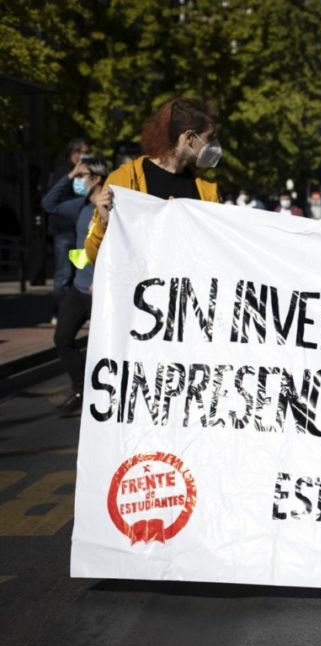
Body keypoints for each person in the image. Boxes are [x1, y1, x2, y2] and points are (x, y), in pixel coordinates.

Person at [85, 97, 221, 264]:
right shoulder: (124, 180)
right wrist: (104, 224)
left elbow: (216, 253)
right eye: (210, 137)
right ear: (189, 138)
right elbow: (94, 257)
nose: (214, 145)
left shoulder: (208, 190)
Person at [41, 156, 109, 413]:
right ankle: (81, 388)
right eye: (78, 176)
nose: (79, 181)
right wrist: (69, 176)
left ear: (97, 179)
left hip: (105, 292)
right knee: (63, 338)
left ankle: (108, 398)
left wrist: (103, 280)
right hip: (81, 289)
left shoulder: (114, 206)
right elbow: (48, 204)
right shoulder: (79, 206)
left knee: (106, 347)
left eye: (82, 175)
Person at [46, 138, 91, 318]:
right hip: (64, 232)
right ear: (74, 154)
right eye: (83, 152)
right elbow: (51, 201)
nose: (85, 156)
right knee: (63, 275)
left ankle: (78, 315)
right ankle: (59, 313)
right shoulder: (62, 174)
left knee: (80, 274)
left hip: (80, 231)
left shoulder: (87, 173)